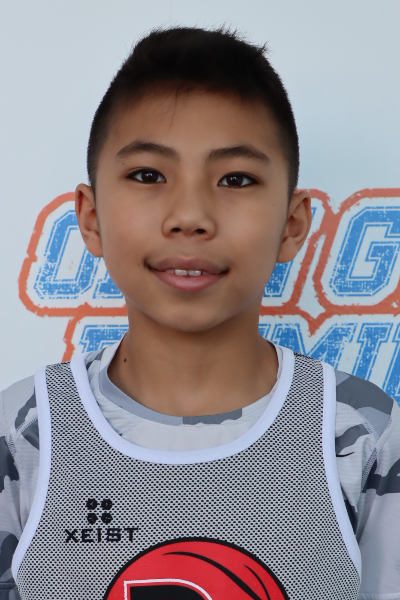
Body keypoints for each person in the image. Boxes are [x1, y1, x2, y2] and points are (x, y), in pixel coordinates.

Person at [0, 27, 399, 600]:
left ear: (292, 225)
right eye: (148, 175)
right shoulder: (21, 436)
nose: (189, 216)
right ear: (90, 218)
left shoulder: (366, 436)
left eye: (236, 179)